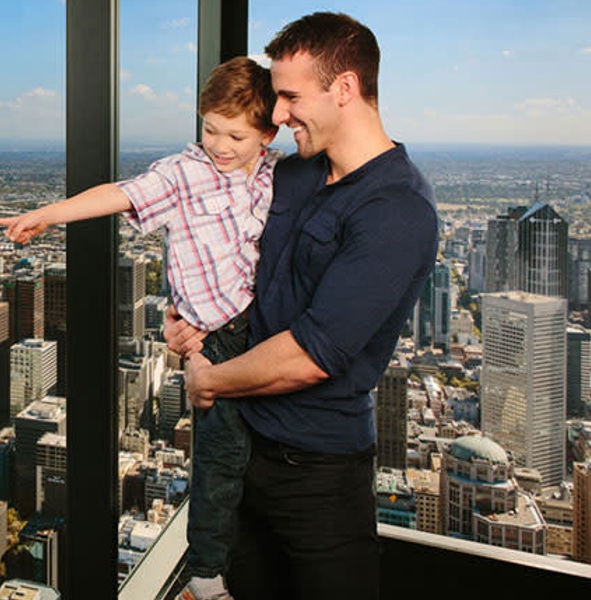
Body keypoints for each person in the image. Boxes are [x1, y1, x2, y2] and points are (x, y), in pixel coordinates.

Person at [164, 12, 439, 600]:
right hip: (243, 460)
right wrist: (183, 314)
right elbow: (215, 242)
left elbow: (313, 355)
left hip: (318, 477)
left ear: (344, 88)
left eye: (289, 96)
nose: (278, 113)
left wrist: (208, 382)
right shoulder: (291, 175)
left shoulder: (397, 208)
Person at [0, 57, 279, 600]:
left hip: (262, 330)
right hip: (214, 340)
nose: (219, 143)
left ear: (268, 133)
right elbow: (120, 193)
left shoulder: (272, 173)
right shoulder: (184, 173)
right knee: (220, 459)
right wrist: (49, 214)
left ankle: (255, 558)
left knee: (263, 454)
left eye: (235, 134)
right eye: (210, 128)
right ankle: (207, 576)